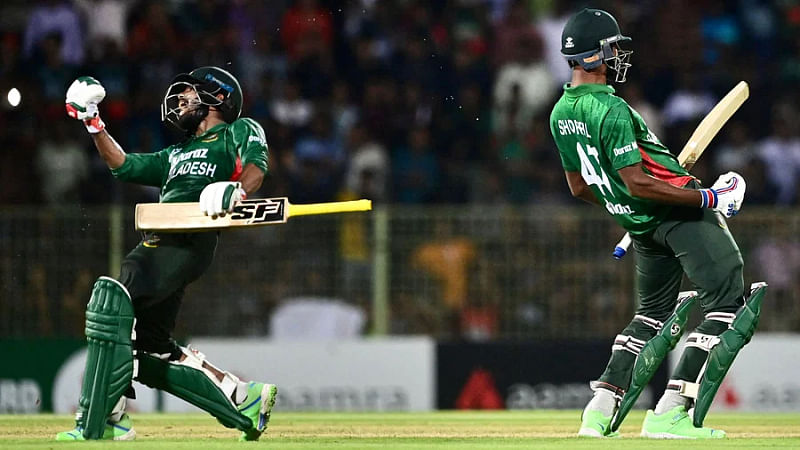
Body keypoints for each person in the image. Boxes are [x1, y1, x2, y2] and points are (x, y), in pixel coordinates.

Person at [549, 9, 767, 439]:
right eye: (612, 49)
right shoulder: (610, 109)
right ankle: (671, 411)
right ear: (593, 56)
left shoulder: (560, 113)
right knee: (727, 301)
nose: (618, 57)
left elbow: (580, 187)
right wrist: (709, 197)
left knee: (650, 316)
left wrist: (625, 209)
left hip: (644, 225)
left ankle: (598, 410)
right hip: (680, 214)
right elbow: (636, 180)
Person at [56, 67, 277, 441]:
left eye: (188, 93)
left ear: (217, 98)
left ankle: (102, 422)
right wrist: (94, 124)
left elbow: (257, 166)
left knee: (112, 302)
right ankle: (244, 400)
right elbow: (123, 166)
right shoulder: (175, 153)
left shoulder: (237, 130)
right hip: (165, 236)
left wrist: (236, 189)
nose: (179, 100)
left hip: (186, 240)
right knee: (153, 355)